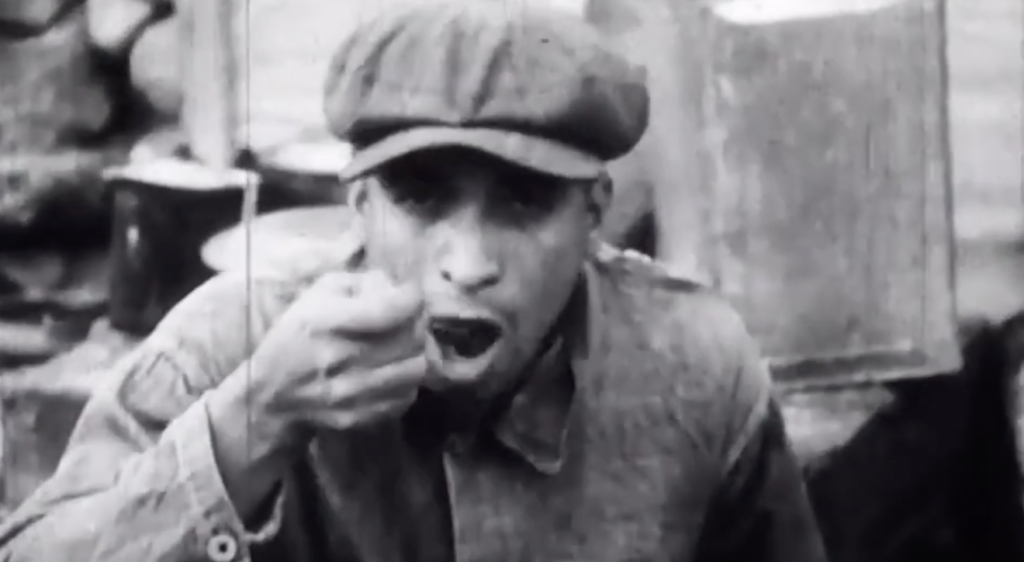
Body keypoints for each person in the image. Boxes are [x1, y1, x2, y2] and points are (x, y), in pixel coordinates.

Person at [0, 1, 829, 561]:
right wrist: (253, 426)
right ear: (357, 204)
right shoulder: (231, 347)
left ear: (594, 214)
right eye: (421, 195)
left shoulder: (696, 371)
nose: (467, 264)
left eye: (524, 200)